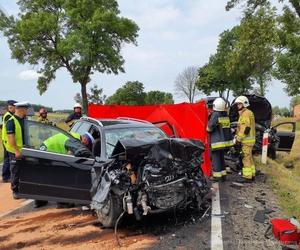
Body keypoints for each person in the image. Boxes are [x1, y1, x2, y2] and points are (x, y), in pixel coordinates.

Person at [3, 101, 30, 199]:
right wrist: (16, 151)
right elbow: (11, 138)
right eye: (26, 109)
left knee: (24, 169)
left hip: (24, 149)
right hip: (15, 150)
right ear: (21, 109)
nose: (27, 110)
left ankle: (23, 188)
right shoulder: (11, 121)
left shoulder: (24, 120)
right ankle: (15, 191)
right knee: (15, 170)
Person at [207, 98, 233, 181]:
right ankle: (223, 175)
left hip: (217, 142)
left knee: (216, 159)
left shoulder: (215, 115)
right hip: (224, 142)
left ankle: (217, 176)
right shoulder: (226, 115)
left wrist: (207, 127)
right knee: (221, 158)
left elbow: (209, 128)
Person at [233, 96, 256, 182]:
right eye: (237, 104)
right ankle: (252, 175)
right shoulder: (248, 112)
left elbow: (245, 128)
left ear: (244, 104)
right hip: (249, 141)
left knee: (245, 158)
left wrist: (238, 139)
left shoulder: (245, 113)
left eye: (239, 104)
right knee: (249, 158)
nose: (237, 106)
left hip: (246, 141)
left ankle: (247, 177)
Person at [1, 100, 17, 182]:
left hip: (7, 140)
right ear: (11, 107)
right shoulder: (8, 116)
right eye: (15, 107)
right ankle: (5, 177)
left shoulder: (10, 115)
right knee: (7, 159)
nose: (16, 109)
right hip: (7, 140)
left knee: (8, 158)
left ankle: (7, 175)